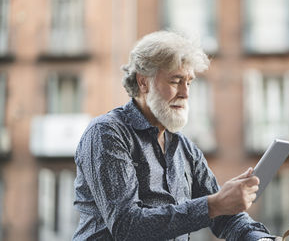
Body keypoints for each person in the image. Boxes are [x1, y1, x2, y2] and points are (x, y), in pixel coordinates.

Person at [73, 31, 277, 241]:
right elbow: (127, 226)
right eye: (175, 81)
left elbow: (226, 217)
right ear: (143, 83)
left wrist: (260, 238)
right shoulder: (106, 133)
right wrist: (213, 204)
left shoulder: (185, 148)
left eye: (188, 82)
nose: (185, 93)